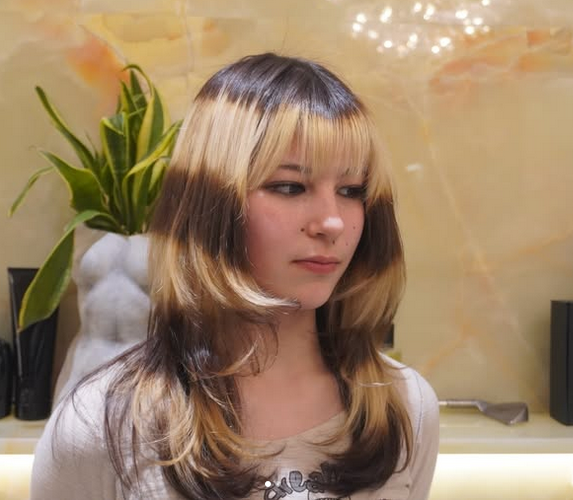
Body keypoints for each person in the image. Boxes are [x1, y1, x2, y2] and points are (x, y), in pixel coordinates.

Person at [31, 52, 439, 500]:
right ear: (213, 204)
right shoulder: (100, 422)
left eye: (351, 190)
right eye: (289, 186)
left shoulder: (404, 406)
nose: (332, 222)